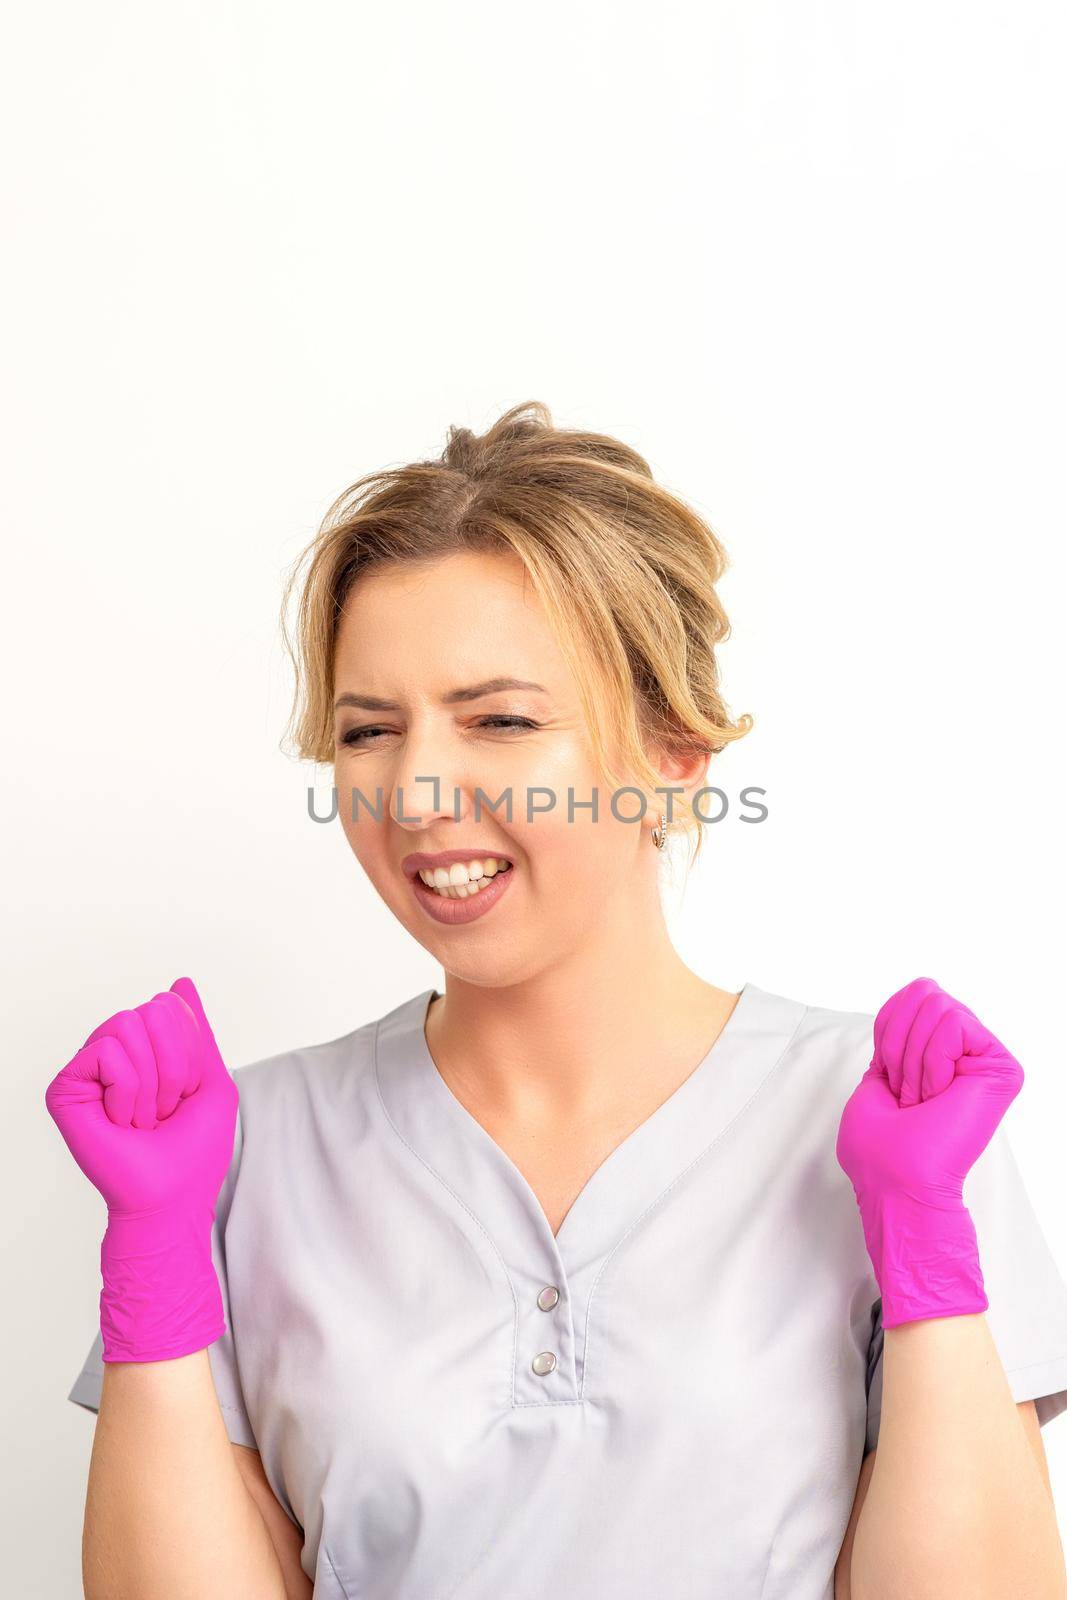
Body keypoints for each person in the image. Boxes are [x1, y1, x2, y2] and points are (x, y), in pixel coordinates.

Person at [52, 402, 1067, 1598]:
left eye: (500, 720)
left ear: (672, 749)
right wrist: (156, 1261)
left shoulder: (895, 1122)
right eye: (369, 730)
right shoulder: (236, 1152)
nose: (417, 790)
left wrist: (927, 1251)